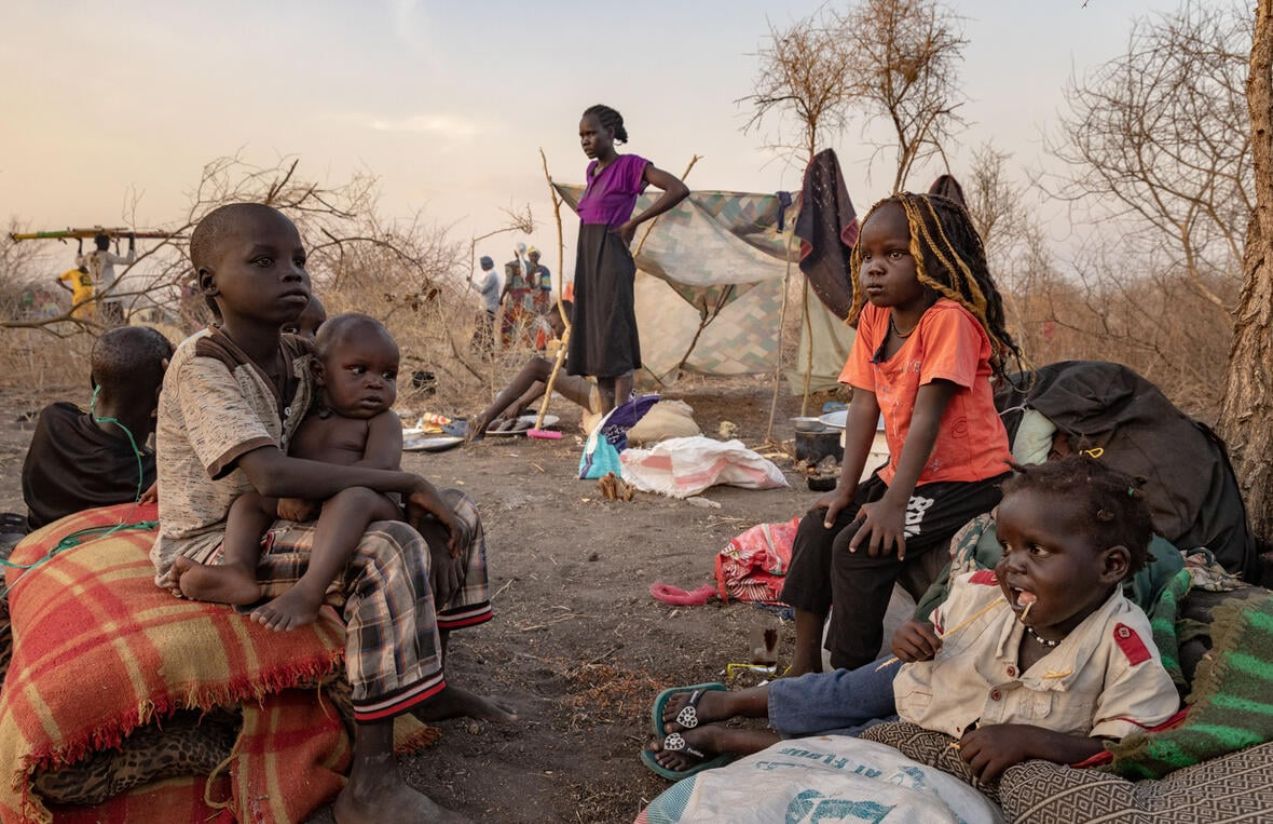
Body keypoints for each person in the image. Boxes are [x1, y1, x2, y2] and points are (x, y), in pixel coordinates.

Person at [151, 202, 511, 824]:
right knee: (388, 547)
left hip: (287, 518)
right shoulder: (204, 362)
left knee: (455, 510)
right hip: (218, 536)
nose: (291, 274)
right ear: (210, 285)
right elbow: (268, 473)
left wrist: (417, 500)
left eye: (298, 261)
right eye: (264, 262)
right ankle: (370, 785)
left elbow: (354, 419)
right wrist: (402, 483)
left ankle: (432, 678)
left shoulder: (296, 357)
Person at [646, 457, 1181, 783]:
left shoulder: (1124, 647)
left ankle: (723, 741)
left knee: (855, 747)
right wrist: (910, 638)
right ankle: (731, 702)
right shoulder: (981, 593)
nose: (1011, 564)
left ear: (1111, 566)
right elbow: (934, 627)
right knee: (838, 693)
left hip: (935, 727)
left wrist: (1035, 741)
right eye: (1009, 546)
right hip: (925, 681)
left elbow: (1126, 746)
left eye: (1037, 551)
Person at [782, 192, 1024, 676]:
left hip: (964, 479)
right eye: (866, 256)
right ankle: (805, 664)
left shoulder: (949, 321)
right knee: (817, 528)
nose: (875, 268)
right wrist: (845, 490)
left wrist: (893, 504)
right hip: (907, 473)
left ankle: (847, 681)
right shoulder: (875, 317)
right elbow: (864, 403)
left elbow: (927, 419)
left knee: (860, 550)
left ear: (932, 259)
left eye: (894, 255)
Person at [173, 314, 415, 633]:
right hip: (309, 505)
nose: (376, 382)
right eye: (359, 370)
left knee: (352, 497)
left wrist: (310, 490)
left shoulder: (382, 421)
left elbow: (380, 469)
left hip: (370, 505)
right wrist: (290, 492)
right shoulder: (304, 412)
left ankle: (309, 591)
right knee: (247, 502)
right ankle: (238, 570)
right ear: (319, 373)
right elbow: (284, 463)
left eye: (389, 375)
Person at [570, 104, 689, 412]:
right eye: (581, 135)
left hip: (611, 258)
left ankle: (621, 419)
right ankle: (608, 421)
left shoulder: (631, 166)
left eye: (592, 133)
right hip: (588, 260)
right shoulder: (592, 172)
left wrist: (634, 221)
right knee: (598, 342)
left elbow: (677, 189)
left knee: (614, 336)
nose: (585, 141)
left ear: (610, 133)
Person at [21, 326, 172, 531]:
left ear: (93, 380)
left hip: (36, 546)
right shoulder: (151, 476)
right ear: (161, 396)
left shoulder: (53, 422)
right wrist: (173, 412)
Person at [467, 301, 601, 440]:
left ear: (567, 321)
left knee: (536, 365)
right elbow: (550, 376)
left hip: (599, 398)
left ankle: (484, 419)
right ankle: (489, 416)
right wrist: (520, 404)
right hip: (597, 396)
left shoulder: (581, 338)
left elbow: (543, 371)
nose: (554, 333)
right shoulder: (579, 337)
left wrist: (520, 403)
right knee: (543, 367)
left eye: (555, 327)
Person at [80, 232, 136, 326]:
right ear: (103, 243)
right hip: (111, 297)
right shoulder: (106, 255)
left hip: (98, 297)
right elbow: (128, 260)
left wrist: (80, 243)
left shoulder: (89, 256)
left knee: (104, 325)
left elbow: (78, 261)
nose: (108, 245)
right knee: (119, 325)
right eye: (107, 243)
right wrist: (131, 241)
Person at [471, 256, 501, 354]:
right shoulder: (490, 274)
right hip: (485, 307)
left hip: (488, 308)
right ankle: (478, 351)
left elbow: (483, 290)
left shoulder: (492, 275)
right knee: (481, 330)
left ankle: (485, 353)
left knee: (485, 331)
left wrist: (471, 283)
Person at [527, 246, 552, 315]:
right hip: (527, 300)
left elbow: (546, 288)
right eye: (531, 256)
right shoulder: (525, 269)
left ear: (538, 257)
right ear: (528, 256)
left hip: (540, 300)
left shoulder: (544, 270)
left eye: (535, 256)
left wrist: (545, 304)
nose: (533, 258)